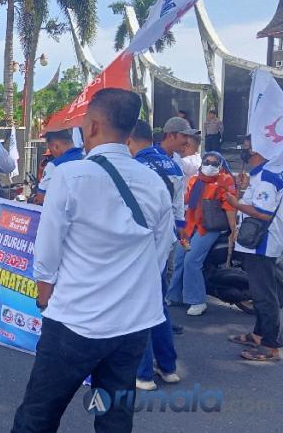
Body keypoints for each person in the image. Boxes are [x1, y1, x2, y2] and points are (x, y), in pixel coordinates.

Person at [11, 89, 174, 433]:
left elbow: (47, 251)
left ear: (94, 125)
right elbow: (160, 251)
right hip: (132, 325)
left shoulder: (70, 176)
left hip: (75, 321)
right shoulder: (155, 183)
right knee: (114, 417)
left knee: (39, 414)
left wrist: (44, 299)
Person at [126, 120, 183, 390]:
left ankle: (144, 373)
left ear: (129, 140)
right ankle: (169, 367)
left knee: (139, 306)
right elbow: (178, 209)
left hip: (142, 243)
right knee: (158, 304)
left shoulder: (134, 168)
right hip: (167, 240)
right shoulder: (173, 165)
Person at [225, 136, 283, 362]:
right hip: (255, 243)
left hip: (262, 243)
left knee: (264, 295)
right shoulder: (261, 175)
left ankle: (270, 345)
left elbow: (263, 213)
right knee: (260, 294)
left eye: (247, 148)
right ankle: (258, 335)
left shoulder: (268, 178)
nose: (244, 151)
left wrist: (235, 203)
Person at [166, 151, 237, 316]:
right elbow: (185, 205)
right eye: (207, 162)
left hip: (209, 228)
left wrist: (233, 230)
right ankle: (174, 295)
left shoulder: (224, 181)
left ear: (220, 166)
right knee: (179, 259)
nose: (210, 166)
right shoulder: (194, 180)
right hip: (189, 227)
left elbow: (229, 206)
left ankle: (197, 300)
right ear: (202, 163)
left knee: (192, 260)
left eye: (214, 163)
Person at [33, 129, 83, 205]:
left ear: (55, 146)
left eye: (50, 150)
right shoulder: (87, 158)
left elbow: (41, 197)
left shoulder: (54, 165)